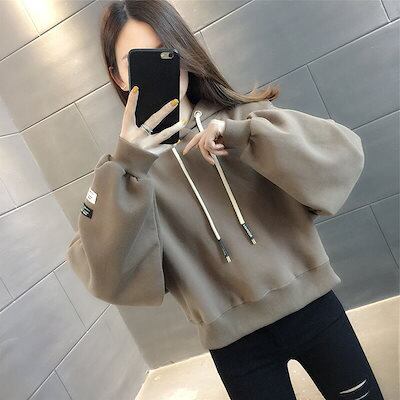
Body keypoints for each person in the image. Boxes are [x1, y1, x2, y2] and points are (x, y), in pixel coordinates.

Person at [66, 1, 385, 398]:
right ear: (116, 75)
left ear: (184, 49)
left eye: (165, 51)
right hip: (236, 348)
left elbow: (341, 158)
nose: (159, 68)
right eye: (137, 61)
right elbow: (103, 273)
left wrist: (244, 138)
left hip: (314, 310)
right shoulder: (125, 177)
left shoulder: (243, 119)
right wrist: (129, 166)